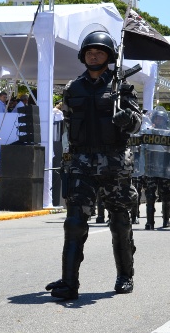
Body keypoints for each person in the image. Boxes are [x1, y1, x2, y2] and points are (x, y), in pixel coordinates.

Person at [45, 29, 142, 300]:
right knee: (74, 222)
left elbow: (137, 123)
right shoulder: (72, 88)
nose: (94, 55)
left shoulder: (122, 87)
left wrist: (127, 118)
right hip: (80, 162)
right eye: (89, 51)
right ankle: (69, 282)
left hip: (115, 162)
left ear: (109, 56)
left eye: (99, 51)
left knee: (120, 222)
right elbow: (66, 124)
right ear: (83, 56)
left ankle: (125, 275)